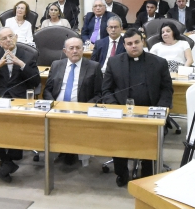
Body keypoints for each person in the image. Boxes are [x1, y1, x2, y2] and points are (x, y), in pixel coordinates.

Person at [100, 28, 173, 184]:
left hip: (152, 115)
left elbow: (167, 90)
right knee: (117, 137)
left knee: (150, 140)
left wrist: (160, 110)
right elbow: (106, 90)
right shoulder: (114, 62)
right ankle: (122, 173)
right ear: (124, 45)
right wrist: (115, 109)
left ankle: (148, 173)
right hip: (122, 114)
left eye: (136, 42)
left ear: (143, 42)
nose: (133, 46)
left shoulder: (159, 63)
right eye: (129, 44)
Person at [0, 27, 42, 180]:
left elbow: (36, 81)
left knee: (15, 123)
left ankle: (8, 160)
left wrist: (21, 64)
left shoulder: (29, 54)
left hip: (19, 96)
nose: (8, 40)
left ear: (16, 37)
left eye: (10, 36)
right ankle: (6, 161)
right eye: (4, 38)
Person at [46, 36, 104, 166]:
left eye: (78, 48)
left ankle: (71, 152)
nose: (75, 51)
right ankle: (62, 150)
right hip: (57, 108)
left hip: (81, 109)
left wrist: (84, 107)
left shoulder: (93, 66)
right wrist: (52, 104)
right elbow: (47, 89)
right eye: (71, 48)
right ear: (65, 51)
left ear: (83, 50)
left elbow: (99, 94)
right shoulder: (56, 65)